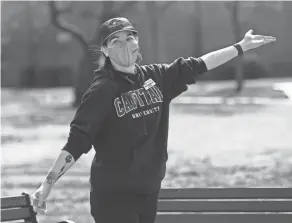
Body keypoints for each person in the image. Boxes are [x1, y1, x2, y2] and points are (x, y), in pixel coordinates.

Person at [31, 17, 276, 223]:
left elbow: (200, 64)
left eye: (129, 38)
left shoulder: (157, 76)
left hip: (149, 190)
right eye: (115, 41)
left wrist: (240, 47)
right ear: (105, 50)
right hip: (114, 197)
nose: (125, 45)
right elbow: (77, 141)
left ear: (137, 42)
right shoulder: (101, 91)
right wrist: (48, 184)